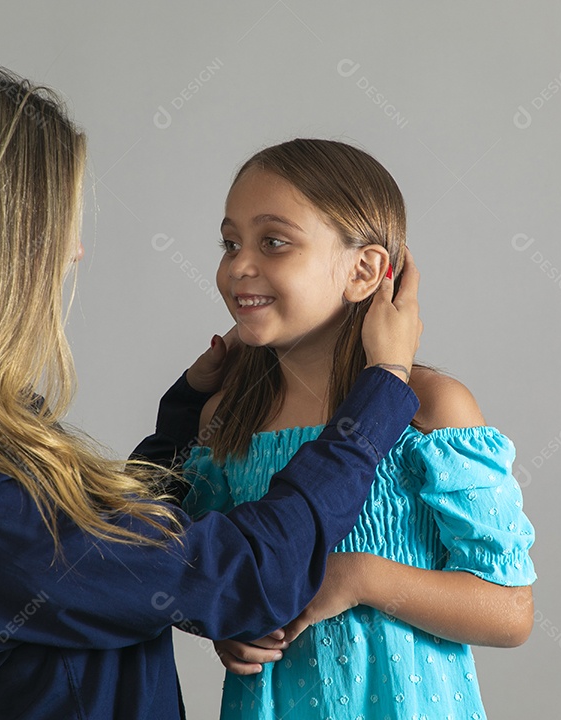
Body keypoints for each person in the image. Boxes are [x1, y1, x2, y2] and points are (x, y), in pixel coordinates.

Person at [0, 63, 423, 720]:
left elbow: (113, 558)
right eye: (59, 222)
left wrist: (180, 421)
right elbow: (252, 573)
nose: (76, 250)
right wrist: (382, 394)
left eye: (274, 241)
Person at [179, 139, 537, 719]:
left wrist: (361, 576)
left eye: (273, 242)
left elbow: (510, 612)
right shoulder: (226, 419)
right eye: (230, 242)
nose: (238, 265)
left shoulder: (431, 410)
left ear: (364, 269)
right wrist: (229, 627)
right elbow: (202, 574)